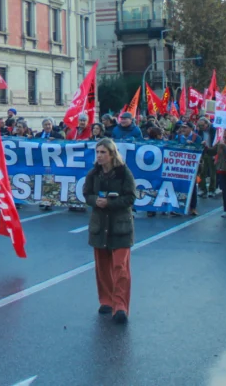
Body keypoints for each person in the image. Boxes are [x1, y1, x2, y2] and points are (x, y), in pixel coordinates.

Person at [83, 138, 136, 324]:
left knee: (120, 268)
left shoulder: (123, 173)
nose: (99, 156)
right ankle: (106, 301)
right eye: (97, 152)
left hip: (120, 226)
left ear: (112, 154)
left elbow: (131, 197)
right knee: (102, 267)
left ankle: (120, 306)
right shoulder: (93, 173)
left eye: (103, 152)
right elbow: (86, 193)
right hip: (100, 226)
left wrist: (111, 203)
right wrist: (94, 201)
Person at [214, 133, 226, 218]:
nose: (224, 134)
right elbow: (213, 151)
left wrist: (224, 146)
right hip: (221, 170)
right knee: (225, 192)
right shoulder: (220, 141)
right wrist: (206, 147)